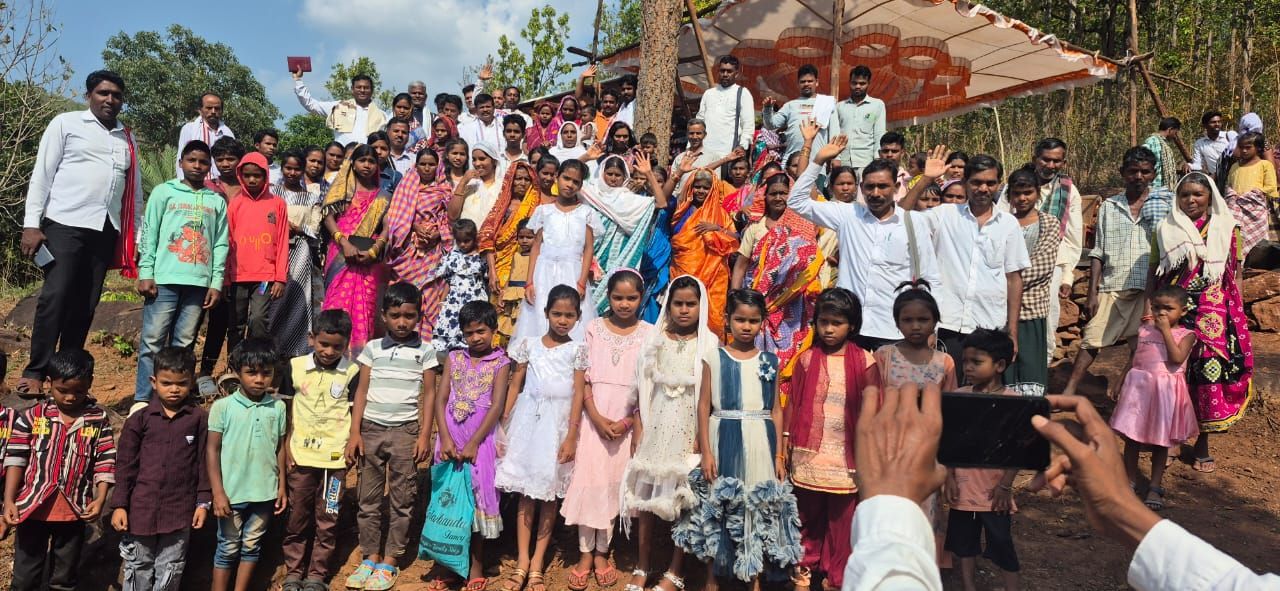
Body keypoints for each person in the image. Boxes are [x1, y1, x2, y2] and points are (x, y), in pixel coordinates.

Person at [18, 70, 141, 397]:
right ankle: (36, 370)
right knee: (56, 295)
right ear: (89, 96)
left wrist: (136, 237)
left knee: (86, 304)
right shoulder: (66, 123)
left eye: (116, 95)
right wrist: (31, 223)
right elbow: (42, 174)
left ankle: (68, 374)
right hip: (65, 222)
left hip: (106, 229)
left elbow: (135, 193)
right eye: (103, 93)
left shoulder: (126, 138)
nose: (110, 99)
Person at [677, 289, 801, 590]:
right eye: (740, 320)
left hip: (761, 440)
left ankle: (754, 577)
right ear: (727, 320)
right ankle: (712, 578)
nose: (746, 326)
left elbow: (776, 409)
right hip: (724, 436)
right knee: (718, 503)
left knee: (755, 505)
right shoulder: (714, 358)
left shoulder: (770, 360)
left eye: (753, 321)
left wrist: (779, 455)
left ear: (763, 322)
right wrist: (706, 452)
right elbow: (703, 406)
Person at [788, 136, 940, 352]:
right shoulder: (848, 215)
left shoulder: (913, 222)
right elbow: (796, 202)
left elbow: (930, 277)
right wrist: (819, 160)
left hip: (894, 330)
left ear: (896, 187)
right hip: (850, 329)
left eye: (883, 186)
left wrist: (932, 329)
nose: (875, 193)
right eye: (870, 187)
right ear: (861, 187)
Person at [619, 275, 718, 591]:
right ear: (668, 305)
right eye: (678, 303)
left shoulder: (709, 343)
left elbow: (711, 397)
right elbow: (641, 387)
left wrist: (701, 437)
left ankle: (675, 570)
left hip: (690, 428)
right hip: (657, 426)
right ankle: (642, 564)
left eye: (691, 304)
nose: (684, 310)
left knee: (684, 499)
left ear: (701, 305)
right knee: (647, 498)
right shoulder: (655, 339)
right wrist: (639, 427)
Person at [1151, 172, 1253, 475]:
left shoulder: (1229, 228)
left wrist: (1238, 312)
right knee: (1174, 374)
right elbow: (1155, 275)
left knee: (1208, 375)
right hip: (1175, 311)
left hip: (1214, 314)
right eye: (1185, 195)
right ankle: (1172, 440)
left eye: (1198, 194)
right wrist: (1149, 311)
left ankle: (1202, 443)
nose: (1191, 200)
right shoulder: (1165, 228)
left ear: (1210, 197)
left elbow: (1235, 274)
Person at [561, 270, 650, 590]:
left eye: (631, 298)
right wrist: (597, 418)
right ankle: (585, 553)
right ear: (608, 297)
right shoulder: (593, 328)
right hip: (593, 419)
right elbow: (582, 378)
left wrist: (627, 422)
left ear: (642, 297)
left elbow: (649, 385)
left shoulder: (649, 333)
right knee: (590, 483)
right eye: (617, 297)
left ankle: (602, 552)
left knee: (613, 487)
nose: (624, 304)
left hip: (628, 424)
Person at [344, 283, 437, 590]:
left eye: (409, 316)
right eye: (395, 315)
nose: (402, 322)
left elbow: (430, 394)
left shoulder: (425, 351)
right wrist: (355, 433)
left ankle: (390, 560)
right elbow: (361, 391)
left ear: (418, 317)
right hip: (370, 429)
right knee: (368, 499)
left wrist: (424, 435)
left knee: (402, 499)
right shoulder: (372, 349)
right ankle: (370, 556)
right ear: (383, 315)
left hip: (405, 432)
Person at [496, 286, 589, 591]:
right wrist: (503, 423)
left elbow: (578, 394)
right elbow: (515, 385)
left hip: (557, 427)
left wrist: (571, 435)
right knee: (526, 494)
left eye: (569, 315)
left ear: (578, 317)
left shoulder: (577, 350)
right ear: (547, 313)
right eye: (557, 314)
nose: (563, 320)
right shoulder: (529, 345)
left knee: (548, 496)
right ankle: (522, 561)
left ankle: (537, 562)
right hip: (528, 424)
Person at [783, 288, 876, 591]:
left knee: (842, 522)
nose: (829, 329)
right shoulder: (806, 360)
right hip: (809, 456)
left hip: (847, 459)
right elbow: (794, 403)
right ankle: (803, 571)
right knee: (806, 516)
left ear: (852, 325)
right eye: (824, 322)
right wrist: (785, 444)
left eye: (837, 323)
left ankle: (837, 578)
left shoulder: (866, 362)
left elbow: (873, 411)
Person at [1062, 147, 1173, 396]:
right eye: (1133, 171)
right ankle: (1069, 391)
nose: (1139, 177)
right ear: (1122, 172)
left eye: (1145, 172)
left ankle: (1126, 394)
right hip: (1113, 283)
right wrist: (1092, 293)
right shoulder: (1110, 207)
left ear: (1154, 174)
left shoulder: (1163, 205)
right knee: (1092, 339)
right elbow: (1098, 252)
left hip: (1148, 288)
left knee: (1142, 345)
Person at [3, 349, 115, 591]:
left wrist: (100, 498)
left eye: (79, 391)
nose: (71, 397)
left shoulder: (98, 421)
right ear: (49, 383)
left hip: (74, 511)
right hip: (32, 509)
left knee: (63, 578)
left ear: (90, 383)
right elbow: (15, 458)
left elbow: (105, 461)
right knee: (25, 577)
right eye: (63, 390)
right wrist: (9, 500)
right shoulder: (33, 417)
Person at [133, 140, 228, 411]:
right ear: (181, 163)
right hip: (164, 280)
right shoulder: (164, 192)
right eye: (192, 160)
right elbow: (149, 233)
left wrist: (216, 282)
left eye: (203, 162)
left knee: (184, 344)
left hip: (198, 283)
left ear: (209, 167)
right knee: (152, 341)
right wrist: (146, 272)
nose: (197, 166)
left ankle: (176, 400)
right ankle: (143, 400)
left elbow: (221, 243)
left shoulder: (215, 200)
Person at [914, 154, 1029, 377]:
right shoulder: (945, 215)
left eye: (990, 183)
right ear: (965, 182)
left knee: (984, 392)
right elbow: (903, 218)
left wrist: (1013, 332)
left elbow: (1013, 279)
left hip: (989, 325)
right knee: (945, 389)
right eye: (976, 182)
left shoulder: (1008, 224)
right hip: (948, 324)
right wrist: (925, 179)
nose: (983, 189)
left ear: (998, 185)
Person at [110, 347, 209, 591]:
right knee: (138, 565)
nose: (174, 389)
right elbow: (125, 465)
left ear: (192, 382)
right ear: (153, 382)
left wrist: (203, 503)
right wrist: (120, 505)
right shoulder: (140, 419)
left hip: (180, 509)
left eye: (181, 383)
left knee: (171, 567)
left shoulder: (198, 419)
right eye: (166, 383)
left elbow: (204, 462)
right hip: (141, 509)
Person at [274, 311, 360, 591]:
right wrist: (286, 447)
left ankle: (317, 575)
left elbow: (354, 414)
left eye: (337, 346)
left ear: (347, 344)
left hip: (335, 462)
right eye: (324, 344)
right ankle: (293, 572)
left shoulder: (352, 372)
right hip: (300, 458)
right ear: (311, 338)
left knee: (328, 519)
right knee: (297, 518)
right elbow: (285, 411)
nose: (329, 351)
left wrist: (351, 443)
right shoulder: (294, 367)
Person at [434, 301, 512, 590]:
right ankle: (448, 565)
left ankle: (475, 565)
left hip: (481, 442)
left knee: (477, 500)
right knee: (450, 501)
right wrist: (445, 437)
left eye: (481, 331)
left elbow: (496, 406)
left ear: (493, 330)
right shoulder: (454, 358)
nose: (475, 338)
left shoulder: (501, 363)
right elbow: (442, 399)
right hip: (449, 438)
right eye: (469, 333)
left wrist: (474, 442)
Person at [1107, 285, 1197, 512]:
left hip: (1164, 391)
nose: (1161, 313)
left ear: (1183, 311)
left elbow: (1176, 358)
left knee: (1160, 440)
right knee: (1132, 436)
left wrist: (1165, 331)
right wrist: (1120, 379)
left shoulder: (1187, 335)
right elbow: (1134, 357)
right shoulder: (1145, 330)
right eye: (1156, 308)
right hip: (1139, 389)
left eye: (1168, 308)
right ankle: (1130, 480)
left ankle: (1154, 486)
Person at [944, 329, 1022, 591]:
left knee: (1002, 543)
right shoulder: (959, 397)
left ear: (999, 365)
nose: (967, 367)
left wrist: (1005, 486)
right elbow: (950, 442)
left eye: (976, 362)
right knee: (964, 544)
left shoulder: (1013, 403)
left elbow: (1017, 449)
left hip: (996, 492)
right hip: (963, 488)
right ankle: (969, 587)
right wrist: (949, 477)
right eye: (965, 361)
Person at [730, 173, 821, 395]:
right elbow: (741, 266)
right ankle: (756, 398)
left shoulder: (803, 226)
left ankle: (783, 404)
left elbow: (809, 263)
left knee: (791, 359)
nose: (779, 198)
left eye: (783, 193)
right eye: (774, 193)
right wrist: (734, 298)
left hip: (792, 306)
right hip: (758, 304)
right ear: (765, 196)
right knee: (757, 358)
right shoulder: (755, 229)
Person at [206, 339, 286, 591]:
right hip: (232, 493)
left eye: (266, 373)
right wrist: (218, 492)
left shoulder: (278, 407)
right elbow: (212, 450)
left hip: (265, 492)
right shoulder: (222, 407)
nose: (259, 379)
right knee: (227, 546)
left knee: (252, 545)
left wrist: (282, 486)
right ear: (237, 372)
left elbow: (280, 448)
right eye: (252, 372)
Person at [511, 160, 603, 344]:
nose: (570, 184)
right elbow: (536, 247)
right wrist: (529, 282)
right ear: (557, 177)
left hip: (573, 273)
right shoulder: (543, 211)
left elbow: (588, 249)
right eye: (566, 178)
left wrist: (582, 282)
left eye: (576, 182)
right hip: (543, 273)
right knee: (540, 313)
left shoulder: (586, 213)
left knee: (571, 315)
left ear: (581, 185)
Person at [321, 145, 392, 354]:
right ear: (352, 163)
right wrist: (344, 243)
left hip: (368, 258)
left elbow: (387, 226)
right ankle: (330, 353)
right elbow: (328, 218)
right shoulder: (342, 191)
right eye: (362, 160)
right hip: (340, 254)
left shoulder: (383, 196)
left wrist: (375, 249)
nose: (367, 165)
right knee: (336, 302)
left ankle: (359, 358)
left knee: (365, 307)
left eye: (371, 161)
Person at [581, 154, 667, 315]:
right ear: (601, 172)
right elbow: (566, 173)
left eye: (618, 175)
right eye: (609, 174)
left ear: (625, 177)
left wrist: (649, 174)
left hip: (616, 261)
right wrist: (586, 157)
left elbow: (661, 203)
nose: (613, 179)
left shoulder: (630, 200)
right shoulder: (590, 192)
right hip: (588, 258)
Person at [480, 160, 551, 345]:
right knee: (498, 311)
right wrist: (492, 272)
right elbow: (488, 238)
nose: (522, 183)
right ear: (510, 180)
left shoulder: (537, 207)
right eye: (518, 178)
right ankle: (496, 352)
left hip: (526, 268)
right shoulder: (501, 205)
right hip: (500, 266)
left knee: (522, 315)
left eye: (526, 179)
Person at [385, 150, 455, 337]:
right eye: (423, 164)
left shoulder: (444, 189)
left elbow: (449, 218)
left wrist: (437, 233)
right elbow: (398, 215)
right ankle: (401, 334)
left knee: (430, 292)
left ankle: (426, 339)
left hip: (433, 251)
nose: (427, 168)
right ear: (416, 166)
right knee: (406, 292)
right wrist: (415, 226)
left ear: (438, 166)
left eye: (431, 164)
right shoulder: (406, 187)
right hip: (410, 248)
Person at [225, 153, 289, 357]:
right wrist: (225, 277)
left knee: (258, 319)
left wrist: (280, 277)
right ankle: (235, 363)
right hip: (237, 275)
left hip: (264, 278)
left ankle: (257, 360)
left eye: (257, 175)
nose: (252, 180)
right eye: (247, 175)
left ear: (266, 176)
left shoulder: (277, 204)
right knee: (236, 322)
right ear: (240, 176)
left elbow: (282, 241)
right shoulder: (235, 204)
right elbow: (227, 240)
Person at [1004, 168, 1061, 391]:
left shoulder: (1049, 223)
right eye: (1017, 193)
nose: (1022, 198)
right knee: (1004, 369)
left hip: (1031, 309)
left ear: (1038, 193)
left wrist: (1005, 282)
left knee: (1030, 371)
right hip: (1001, 310)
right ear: (1009, 195)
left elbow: (1041, 267)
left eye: (1028, 192)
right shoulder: (1002, 223)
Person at [670, 168, 739, 337]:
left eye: (706, 188)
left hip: (714, 273)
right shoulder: (681, 209)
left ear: (712, 189)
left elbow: (736, 238)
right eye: (697, 187)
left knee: (712, 314)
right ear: (691, 187)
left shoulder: (720, 214)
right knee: (682, 309)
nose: (701, 191)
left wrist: (716, 228)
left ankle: (710, 347)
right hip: (684, 268)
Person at [272, 149, 326, 359]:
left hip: (301, 251)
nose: (292, 173)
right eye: (288, 168)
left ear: (303, 170)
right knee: (274, 299)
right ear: (282, 168)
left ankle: (296, 350)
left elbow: (315, 229)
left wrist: (297, 228)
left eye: (297, 169)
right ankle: (272, 348)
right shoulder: (272, 193)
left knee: (297, 297)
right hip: (274, 249)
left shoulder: (311, 197)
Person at [431, 219, 489, 352]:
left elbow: (485, 279)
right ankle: (453, 356)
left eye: (466, 241)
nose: (463, 244)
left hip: (474, 299)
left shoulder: (481, 257)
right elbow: (449, 281)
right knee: (453, 325)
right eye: (459, 241)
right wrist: (442, 301)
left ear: (474, 238)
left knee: (473, 324)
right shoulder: (453, 257)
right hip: (455, 300)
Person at [763, 64, 840, 160]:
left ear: (817, 82)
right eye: (803, 81)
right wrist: (767, 109)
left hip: (817, 161)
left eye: (810, 81)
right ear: (798, 84)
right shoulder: (790, 105)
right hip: (792, 161)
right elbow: (771, 125)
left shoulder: (827, 103)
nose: (806, 84)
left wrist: (836, 158)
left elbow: (835, 133)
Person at [294, 70, 388, 145]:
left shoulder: (382, 116)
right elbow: (311, 104)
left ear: (372, 91)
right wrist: (298, 80)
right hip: (341, 159)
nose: (362, 90)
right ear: (352, 89)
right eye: (358, 87)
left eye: (366, 88)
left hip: (368, 160)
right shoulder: (338, 107)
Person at [1225, 130, 1278, 255]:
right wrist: (1232, 194)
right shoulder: (1235, 167)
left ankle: (1255, 262)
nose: (1244, 151)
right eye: (1241, 147)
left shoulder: (1265, 165)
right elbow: (1229, 185)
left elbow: (1271, 187)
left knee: (1258, 244)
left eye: (1248, 147)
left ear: (1258, 148)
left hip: (1256, 213)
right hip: (1235, 211)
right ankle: (1238, 262)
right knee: (1236, 238)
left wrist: (1254, 194)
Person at [696, 55, 755, 160]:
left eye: (729, 71)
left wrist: (742, 146)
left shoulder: (742, 93)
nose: (725, 74)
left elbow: (748, 125)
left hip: (729, 154)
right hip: (705, 152)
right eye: (722, 71)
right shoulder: (709, 94)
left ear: (736, 74)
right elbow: (699, 122)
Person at [833, 65, 886, 173]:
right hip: (843, 163)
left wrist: (877, 160)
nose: (858, 86)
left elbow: (879, 134)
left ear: (868, 83)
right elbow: (834, 134)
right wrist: (836, 158)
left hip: (867, 163)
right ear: (849, 83)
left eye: (862, 83)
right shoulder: (839, 107)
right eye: (854, 83)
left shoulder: (877, 105)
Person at [176, 92, 235, 179]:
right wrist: (182, 183)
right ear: (200, 110)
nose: (213, 111)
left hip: (221, 183)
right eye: (209, 108)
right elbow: (182, 157)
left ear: (221, 111)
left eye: (217, 108)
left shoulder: (227, 132)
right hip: (197, 182)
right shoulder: (190, 129)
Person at [449, 142, 504, 228]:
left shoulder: (503, 186)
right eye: (474, 159)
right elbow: (452, 215)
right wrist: (463, 182)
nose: (477, 164)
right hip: (467, 235)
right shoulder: (469, 184)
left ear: (494, 161)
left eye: (482, 159)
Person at [1190, 110, 1235, 181]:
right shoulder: (1200, 144)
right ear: (1205, 125)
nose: (1217, 124)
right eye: (1213, 122)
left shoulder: (1229, 136)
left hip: (1234, 176)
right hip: (1216, 181)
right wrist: (1189, 166)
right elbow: (1198, 165)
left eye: (1219, 122)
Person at [1144, 117, 1187, 190]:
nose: (1175, 136)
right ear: (1170, 130)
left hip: (1163, 189)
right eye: (1175, 133)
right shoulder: (1152, 141)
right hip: (1154, 188)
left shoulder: (1164, 145)